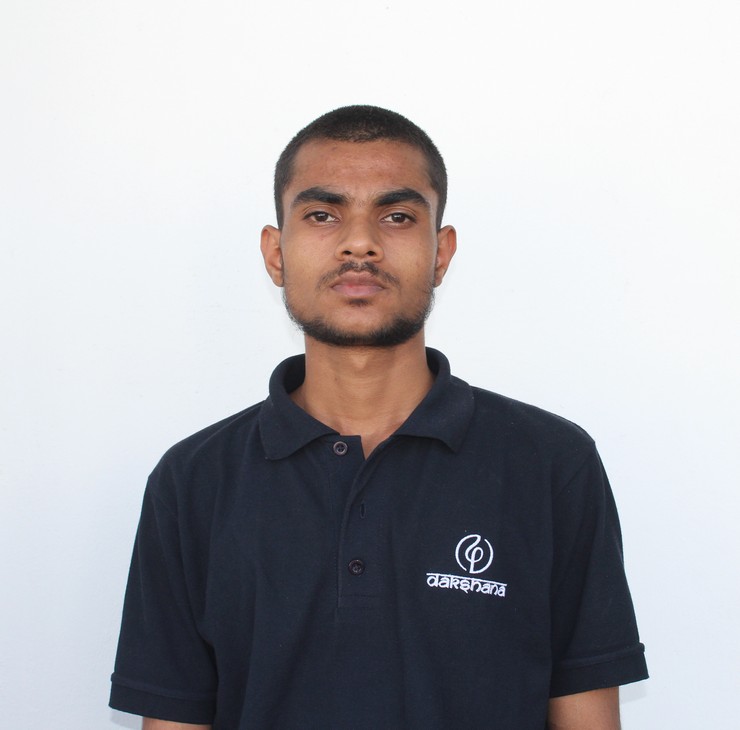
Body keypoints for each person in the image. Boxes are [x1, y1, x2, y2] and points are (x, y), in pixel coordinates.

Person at [110, 105, 648, 729]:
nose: (359, 242)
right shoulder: (193, 482)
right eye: (323, 214)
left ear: (441, 252)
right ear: (276, 253)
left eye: (396, 216)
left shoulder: (551, 464)